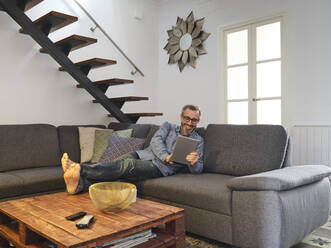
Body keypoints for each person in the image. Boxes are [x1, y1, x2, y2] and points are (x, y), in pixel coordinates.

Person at [62, 104, 204, 194]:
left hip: (159, 167)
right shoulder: (168, 126)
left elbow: (198, 169)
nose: (190, 123)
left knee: (126, 166)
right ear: (181, 117)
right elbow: (156, 141)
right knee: (117, 169)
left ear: (198, 121)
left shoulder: (198, 141)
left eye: (194, 120)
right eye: (187, 118)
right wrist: (167, 156)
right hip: (142, 154)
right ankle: (80, 185)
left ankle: (79, 168)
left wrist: (194, 163)